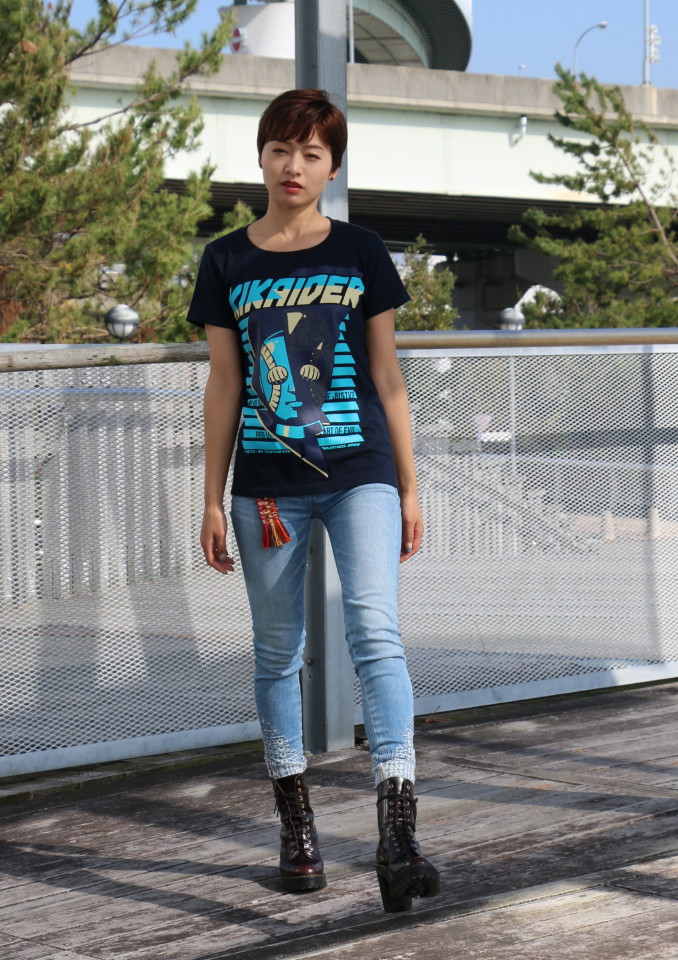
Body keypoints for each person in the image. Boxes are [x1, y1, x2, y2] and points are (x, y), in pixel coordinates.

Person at [186, 88, 439, 913]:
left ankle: (398, 833)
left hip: (361, 472)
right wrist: (212, 497)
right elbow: (224, 385)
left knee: (376, 634)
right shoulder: (227, 260)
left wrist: (409, 486)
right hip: (267, 490)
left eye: (311, 153)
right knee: (276, 654)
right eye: (280, 149)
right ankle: (297, 830)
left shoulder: (361, 252)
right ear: (261, 156)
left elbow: (389, 379)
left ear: (332, 167)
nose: (293, 166)